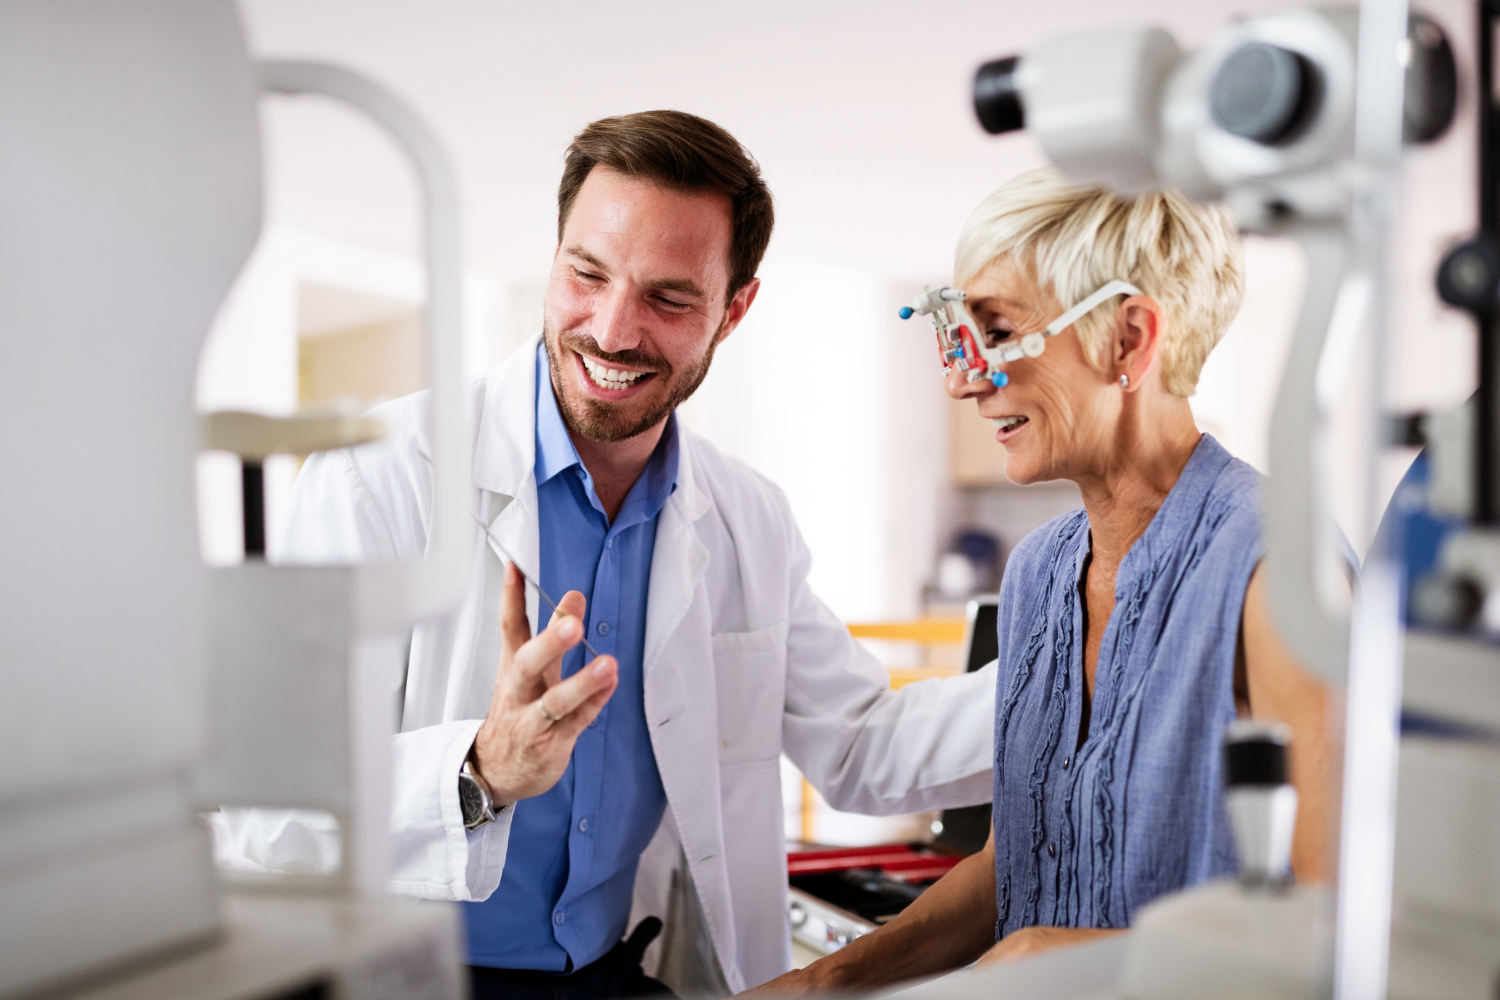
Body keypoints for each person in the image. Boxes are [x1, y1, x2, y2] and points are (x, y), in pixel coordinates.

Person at [227, 110, 997, 997]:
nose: (614, 330)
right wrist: (481, 772)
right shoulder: (379, 472)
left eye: (669, 299)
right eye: (586, 275)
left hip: (612, 972)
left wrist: (1098, 667)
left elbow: (863, 745)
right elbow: (269, 808)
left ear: (734, 310)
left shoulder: (746, 515)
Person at [749, 168, 1334, 994]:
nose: (963, 378)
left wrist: (1076, 961)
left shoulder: (1277, 566)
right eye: (958, 334)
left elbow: (1336, 921)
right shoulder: (1040, 573)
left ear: (1128, 339)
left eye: (996, 331)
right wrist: (827, 982)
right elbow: (1017, 864)